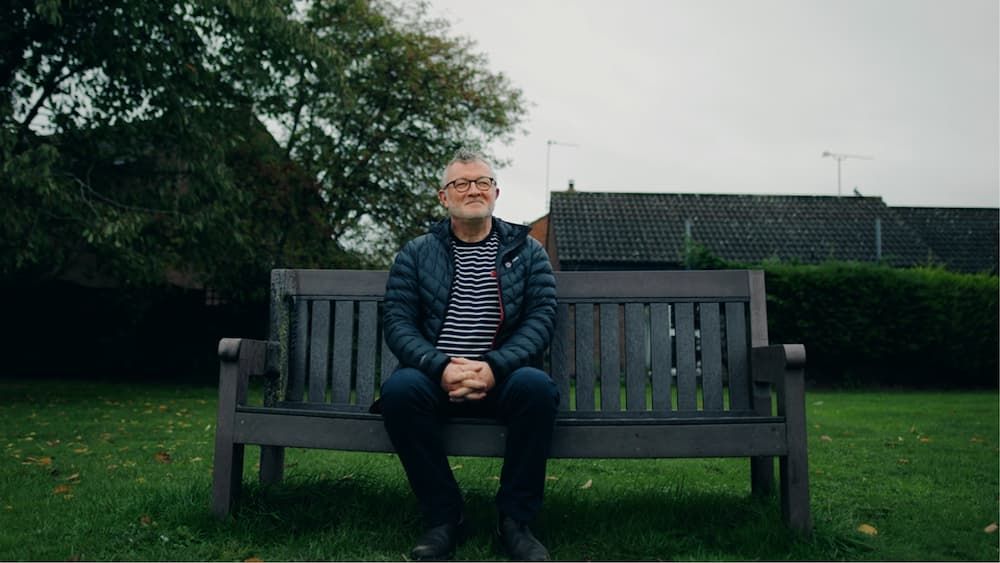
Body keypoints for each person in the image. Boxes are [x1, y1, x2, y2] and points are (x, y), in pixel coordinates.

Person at [377, 149, 559, 561]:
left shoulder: (528, 252)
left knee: (537, 387)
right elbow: (398, 323)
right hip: (434, 377)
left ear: (496, 192)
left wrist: (494, 367)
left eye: (481, 182)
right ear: (444, 197)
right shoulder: (416, 253)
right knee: (400, 391)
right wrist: (440, 367)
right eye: (461, 183)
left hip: (504, 378)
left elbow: (541, 320)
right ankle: (444, 518)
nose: (472, 189)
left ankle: (514, 522)